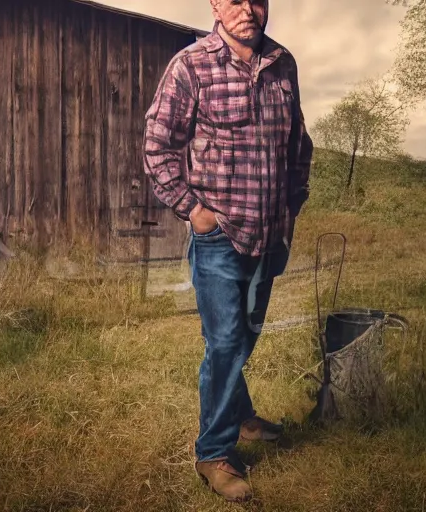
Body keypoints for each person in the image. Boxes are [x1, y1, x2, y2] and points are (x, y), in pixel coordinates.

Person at [142, 0, 313, 502]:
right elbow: (157, 145)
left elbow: (297, 145)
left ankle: (239, 417)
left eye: (256, 0)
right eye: (235, 0)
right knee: (224, 343)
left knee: (244, 338)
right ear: (215, 4)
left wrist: (292, 206)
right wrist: (193, 209)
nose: (248, 9)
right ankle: (213, 453)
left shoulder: (284, 64)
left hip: (270, 235)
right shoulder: (191, 65)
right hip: (219, 236)